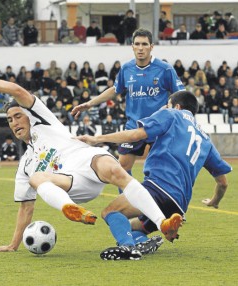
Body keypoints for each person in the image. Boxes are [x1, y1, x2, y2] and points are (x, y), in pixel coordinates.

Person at [0, 72, 181, 254]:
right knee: (35, 177)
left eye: (18, 116)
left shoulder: (43, 120)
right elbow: (26, 208)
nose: (14, 122)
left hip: (86, 159)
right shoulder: (25, 163)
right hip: (70, 184)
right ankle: (71, 210)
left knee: (114, 169)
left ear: (29, 115)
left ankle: (163, 223)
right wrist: (13, 244)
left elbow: (16, 89)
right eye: (9, 120)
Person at [76, 90, 232, 260]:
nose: (165, 106)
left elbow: (135, 135)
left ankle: (128, 249)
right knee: (133, 227)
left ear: (177, 106)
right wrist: (214, 201)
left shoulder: (172, 115)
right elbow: (223, 182)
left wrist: (97, 139)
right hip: (179, 204)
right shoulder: (206, 140)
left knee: (110, 212)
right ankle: (141, 242)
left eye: (168, 104)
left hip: (158, 186)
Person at [71, 28, 185, 194]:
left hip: (158, 126)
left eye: (144, 44)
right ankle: (126, 205)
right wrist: (89, 103)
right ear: (132, 46)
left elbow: (180, 94)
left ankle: (172, 207)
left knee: (161, 170)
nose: (140, 48)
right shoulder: (126, 68)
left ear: (151, 47)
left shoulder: (165, 69)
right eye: (137, 44)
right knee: (122, 167)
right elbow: (115, 90)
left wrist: (171, 109)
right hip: (134, 126)